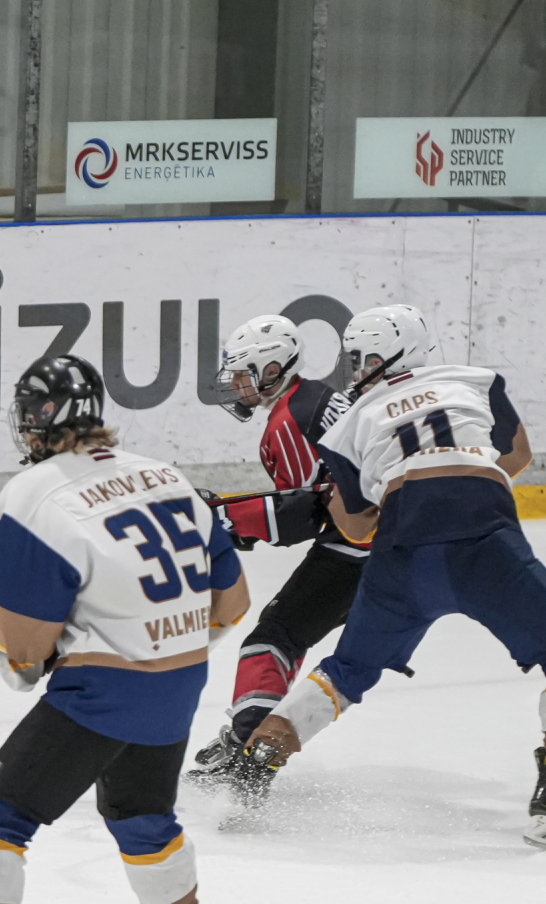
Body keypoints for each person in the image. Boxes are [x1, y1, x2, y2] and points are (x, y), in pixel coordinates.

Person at [241, 305, 546, 853]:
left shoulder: (349, 421)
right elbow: (517, 455)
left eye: (363, 358)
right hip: (483, 539)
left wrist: (386, 492)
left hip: (401, 550)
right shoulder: (477, 380)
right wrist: (459, 477)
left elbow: (355, 525)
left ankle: (256, 761)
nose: (357, 369)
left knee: (348, 671)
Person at [0, 355, 250, 904]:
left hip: (99, 694)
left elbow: (24, 661)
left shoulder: (31, 495)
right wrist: (158, 643)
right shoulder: (166, 476)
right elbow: (231, 605)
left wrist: (12, 644)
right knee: (143, 819)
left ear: (35, 420)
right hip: (180, 686)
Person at [186, 314, 358, 794]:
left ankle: (248, 746)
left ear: (273, 369)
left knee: (273, 639)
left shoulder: (289, 419)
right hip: (379, 537)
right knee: (293, 638)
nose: (237, 386)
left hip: (360, 546)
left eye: (244, 375)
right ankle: (253, 737)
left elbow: (305, 512)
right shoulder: (312, 399)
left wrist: (223, 518)